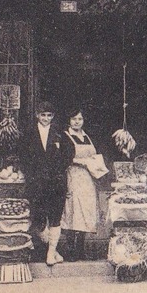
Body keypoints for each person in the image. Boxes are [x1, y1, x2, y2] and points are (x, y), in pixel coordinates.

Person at [21, 101, 74, 266]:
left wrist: (58, 169)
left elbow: (70, 152)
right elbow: (23, 156)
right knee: (38, 220)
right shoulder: (29, 133)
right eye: (43, 115)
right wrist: (31, 174)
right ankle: (53, 249)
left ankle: (50, 253)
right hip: (36, 183)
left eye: (49, 115)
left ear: (53, 116)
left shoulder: (60, 134)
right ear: (37, 115)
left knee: (55, 218)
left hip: (56, 183)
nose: (45, 118)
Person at [61, 109, 107, 260]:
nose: (77, 122)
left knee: (86, 212)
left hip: (88, 177)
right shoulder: (65, 137)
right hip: (73, 176)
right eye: (74, 119)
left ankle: (81, 248)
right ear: (69, 120)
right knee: (72, 212)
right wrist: (81, 162)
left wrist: (95, 163)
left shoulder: (87, 136)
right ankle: (70, 249)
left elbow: (94, 154)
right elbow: (63, 158)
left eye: (79, 119)